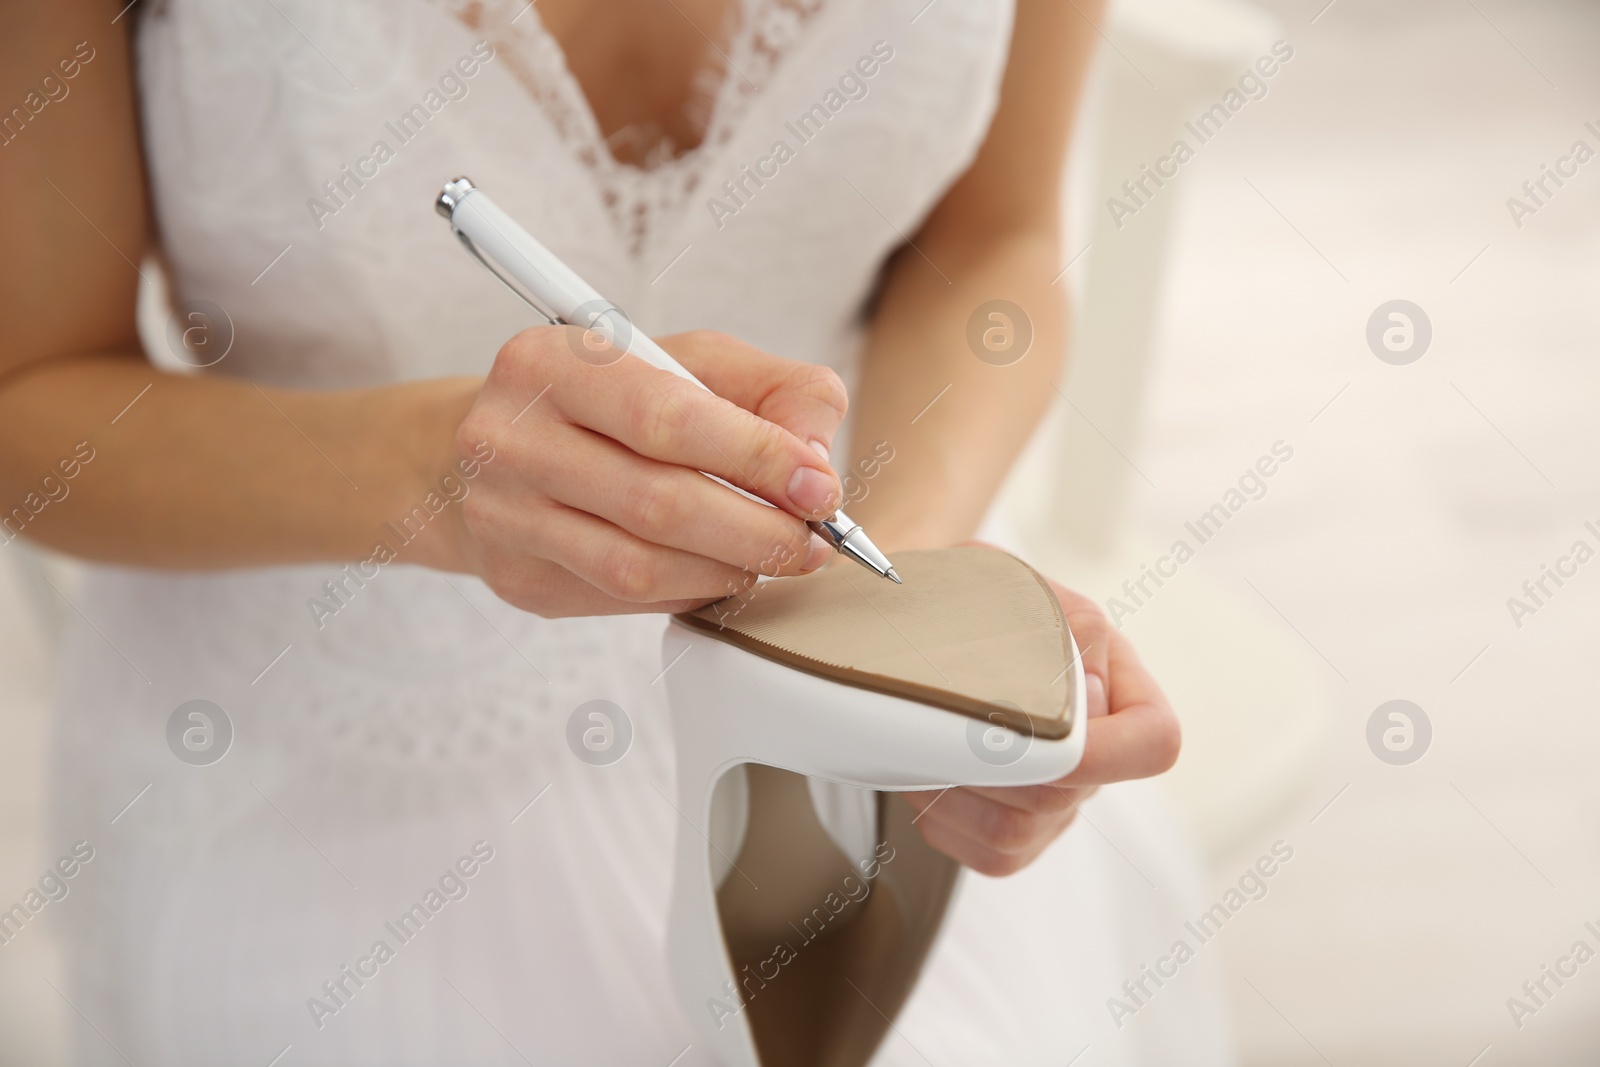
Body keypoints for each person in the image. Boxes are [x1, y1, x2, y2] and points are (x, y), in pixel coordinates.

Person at [0, 0, 1229, 1062]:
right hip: (322, 720)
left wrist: (896, 632)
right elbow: (29, 395)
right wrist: (430, 470)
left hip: (834, 641)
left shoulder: (873, 614)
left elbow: (991, 236)